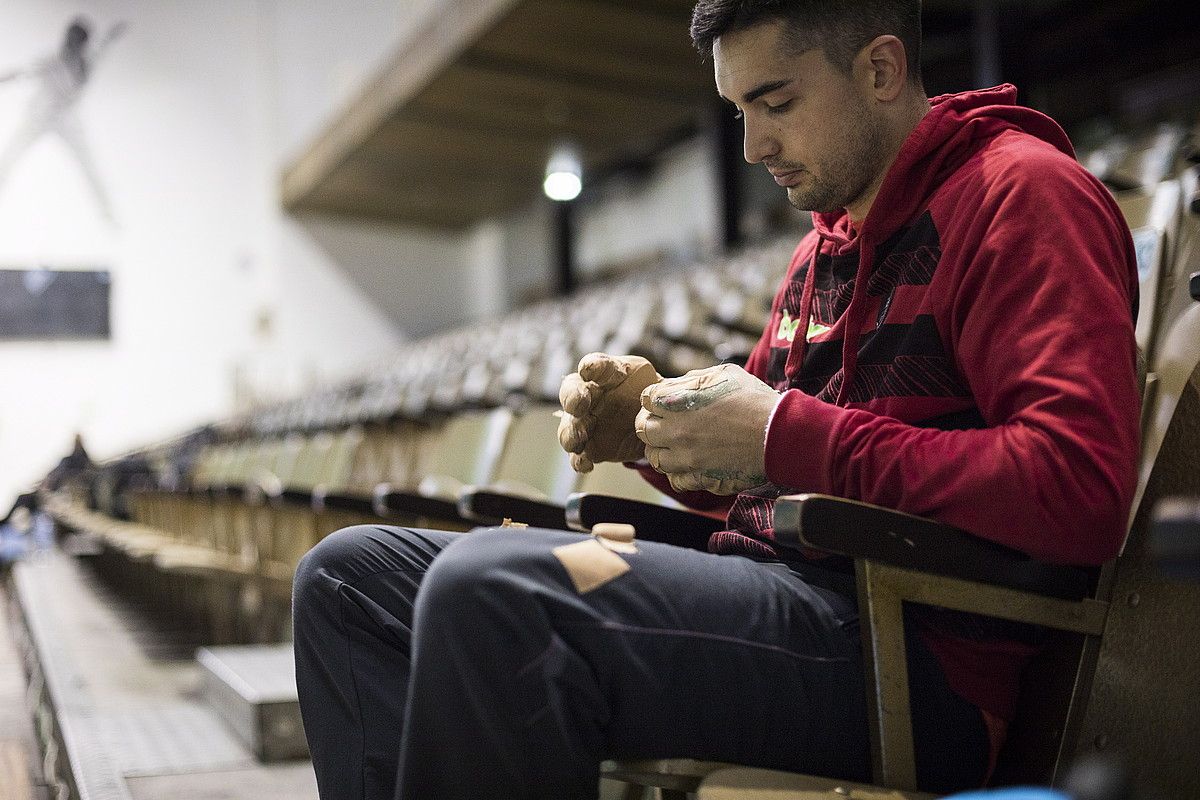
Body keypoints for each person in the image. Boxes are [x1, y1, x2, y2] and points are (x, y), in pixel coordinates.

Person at [292, 1, 1139, 798]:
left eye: (775, 101)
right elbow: (770, 464)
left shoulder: (1022, 195)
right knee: (346, 578)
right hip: (778, 598)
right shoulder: (821, 250)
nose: (752, 145)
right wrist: (657, 431)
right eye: (740, 109)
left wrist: (780, 435)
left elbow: (1079, 489)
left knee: (492, 591)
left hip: (908, 657)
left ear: (882, 69)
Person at [0, 16, 127, 225]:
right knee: (8, 159)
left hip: (66, 120)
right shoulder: (52, 61)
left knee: (88, 165)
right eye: (68, 41)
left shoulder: (87, 62)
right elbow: (20, 73)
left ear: (81, 45)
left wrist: (113, 34)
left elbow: (102, 46)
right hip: (38, 117)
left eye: (75, 43)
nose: (69, 46)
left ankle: (108, 214)